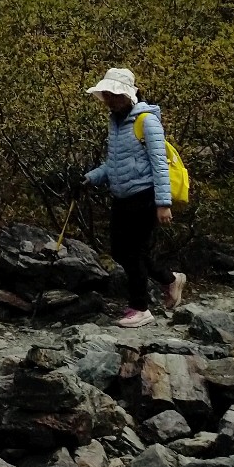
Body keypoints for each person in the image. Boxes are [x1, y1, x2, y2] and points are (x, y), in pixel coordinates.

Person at [81, 66, 186, 327]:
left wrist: (163, 203)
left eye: (114, 95)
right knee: (121, 250)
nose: (110, 100)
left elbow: (159, 163)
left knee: (134, 253)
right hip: (121, 197)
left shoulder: (147, 121)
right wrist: (90, 178)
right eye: (107, 95)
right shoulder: (115, 122)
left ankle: (140, 308)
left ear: (128, 95)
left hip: (144, 196)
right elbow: (113, 164)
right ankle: (171, 279)